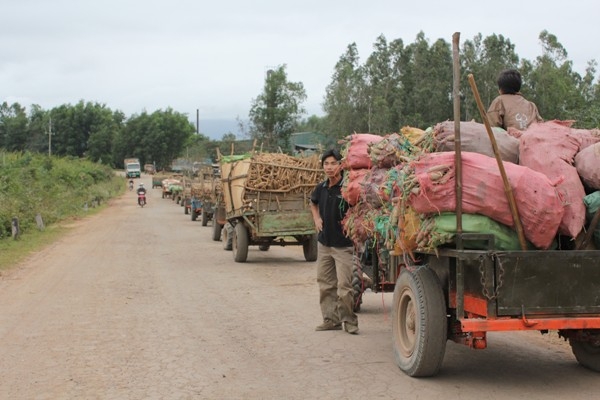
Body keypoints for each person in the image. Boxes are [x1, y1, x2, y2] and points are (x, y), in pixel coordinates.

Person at [310, 149, 358, 335]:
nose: (329, 167)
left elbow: (358, 207)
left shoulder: (348, 187)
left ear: (341, 165)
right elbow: (313, 202)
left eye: (333, 163)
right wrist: (316, 219)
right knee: (325, 284)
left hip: (343, 245)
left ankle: (350, 321)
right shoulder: (321, 187)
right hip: (324, 244)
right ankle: (331, 320)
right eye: (326, 164)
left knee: (345, 287)